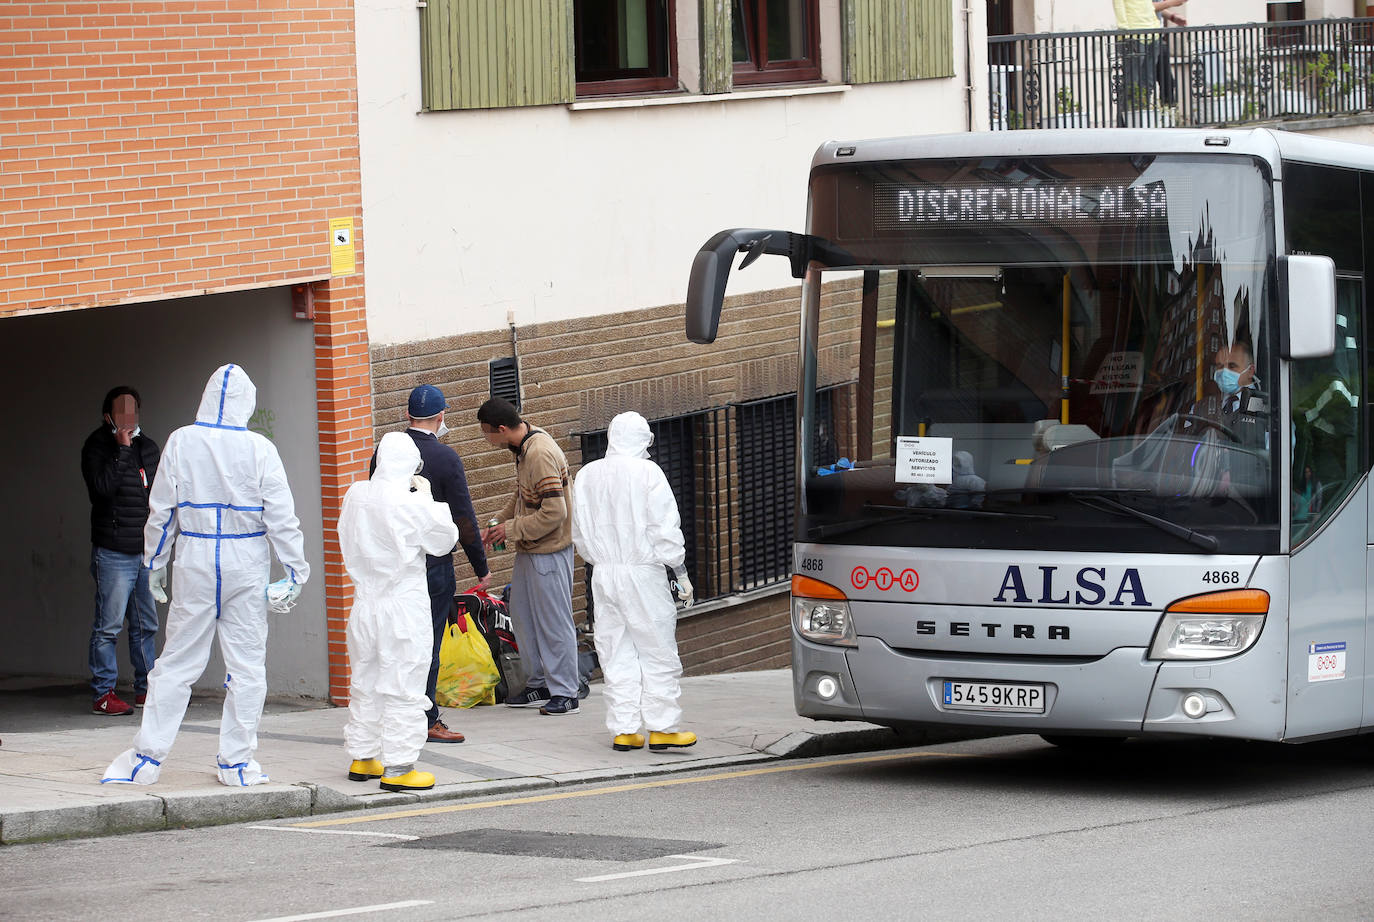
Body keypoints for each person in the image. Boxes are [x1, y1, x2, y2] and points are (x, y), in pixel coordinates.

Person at [101, 364, 309, 786]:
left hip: (195, 555)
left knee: (176, 662)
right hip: (245, 558)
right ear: (246, 403)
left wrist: (154, 563)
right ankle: (235, 763)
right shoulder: (260, 449)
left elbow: (161, 510)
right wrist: (294, 569)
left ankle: (146, 759)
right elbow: (282, 517)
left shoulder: (181, 441)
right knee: (248, 665)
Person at [340, 432, 459, 792]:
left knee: (365, 680)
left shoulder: (356, 495)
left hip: (364, 604)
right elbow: (444, 539)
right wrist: (426, 497)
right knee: (404, 683)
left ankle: (363, 756)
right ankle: (400, 766)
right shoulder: (412, 503)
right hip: (402, 606)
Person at [571, 411, 697, 752]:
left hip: (604, 573)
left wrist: (601, 559)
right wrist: (679, 571)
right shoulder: (648, 473)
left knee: (616, 651)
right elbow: (664, 528)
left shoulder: (587, 475)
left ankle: (625, 729)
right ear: (643, 440)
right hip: (643, 572)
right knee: (657, 649)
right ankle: (663, 727)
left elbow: (579, 532)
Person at [376, 384, 490, 744]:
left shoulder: (386, 453)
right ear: (441, 417)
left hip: (392, 564)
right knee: (429, 641)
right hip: (433, 566)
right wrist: (480, 566)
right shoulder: (445, 458)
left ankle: (394, 713)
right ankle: (427, 718)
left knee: (396, 642)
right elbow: (464, 518)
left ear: (408, 415)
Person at [477, 397, 579, 715]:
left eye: (486, 434)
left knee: (553, 623)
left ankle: (566, 692)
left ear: (502, 429)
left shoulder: (540, 453)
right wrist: (499, 522)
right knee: (523, 618)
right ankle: (540, 684)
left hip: (549, 551)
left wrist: (510, 529)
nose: (486, 440)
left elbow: (554, 512)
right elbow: (521, 495)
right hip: (530, 550)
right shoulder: (524, 447)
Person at [81, 386, 161, 717]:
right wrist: (122, 450)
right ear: (108, 417)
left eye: (133, 413)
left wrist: (160, 548)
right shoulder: (97, 447)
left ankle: (146, 689)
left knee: (146, 625)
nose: (129, 419)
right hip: (112, 552)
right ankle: (104, 693)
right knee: (109, 626)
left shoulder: (150, 448)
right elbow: (101, 490)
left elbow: (160, 498)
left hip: (143, 553)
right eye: (121, 413)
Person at [1113, 0, 1185, 121]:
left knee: (1148, 82)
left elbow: (1148, 6)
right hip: (1134, 35)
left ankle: (1143, 120)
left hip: (1153, 33)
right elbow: (1118, 4)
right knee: (1131, 83)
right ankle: (1126, 123)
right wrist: (1125, 30)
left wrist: (1157, 25)